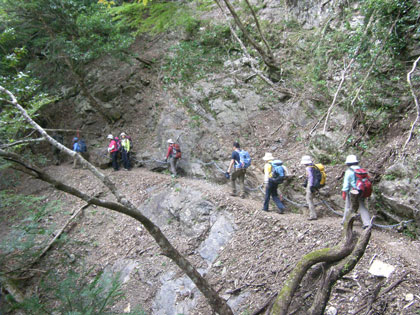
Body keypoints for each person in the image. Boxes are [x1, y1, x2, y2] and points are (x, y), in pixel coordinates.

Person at [341, 154, 371, 228]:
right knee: (362, 206)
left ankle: (345, 221)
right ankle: (367, 223)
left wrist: (344, 192)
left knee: (348, 206)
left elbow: (346, 184)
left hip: (352, 192)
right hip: (361, 191)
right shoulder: (361, 170)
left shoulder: (349, 171)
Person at [300, 155, 318, 220]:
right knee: (311, 199)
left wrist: (310, 186)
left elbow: (310, 177)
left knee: (309, 199)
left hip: (311, 185)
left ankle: (313, 215)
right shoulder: (314, 166)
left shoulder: (308, 168)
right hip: (315, 185)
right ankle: (313, 214)